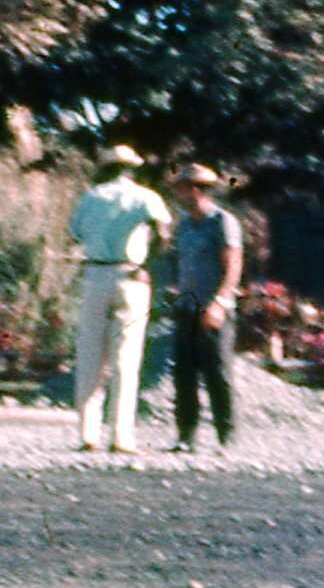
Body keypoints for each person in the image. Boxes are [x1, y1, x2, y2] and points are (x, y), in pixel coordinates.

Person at [66, 143, 173, 454]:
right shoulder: (146, 197)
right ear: (131, 169)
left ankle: (87, 434)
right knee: (126, 358)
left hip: (96, 275)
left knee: (90, 356)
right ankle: (121, 436)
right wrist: (147, 265)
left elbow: (76, 234)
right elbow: (164, 233)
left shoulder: (91, 197)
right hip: (131, 275)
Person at [165, 163, 244, 452]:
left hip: (213, 308)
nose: (178, 193)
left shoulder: (222, 221)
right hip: (186, 306)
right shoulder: (184, 224)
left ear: (195, 190)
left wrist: (221, 302)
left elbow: (233, 265)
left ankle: (226, 437)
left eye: (182, 188)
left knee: (217, 373)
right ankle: (186, 435)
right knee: (184, 373)